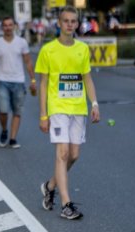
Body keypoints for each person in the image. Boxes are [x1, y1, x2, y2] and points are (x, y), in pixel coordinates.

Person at [36, 6, 100, 220]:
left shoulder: (82, 49)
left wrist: (95, 104)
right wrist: (43, 114)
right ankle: (66, 204)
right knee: (62, 153)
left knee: (73, 155)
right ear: (59, 23)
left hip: (78, 108)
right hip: (57, 108)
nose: (70, 24)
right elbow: (43, 84)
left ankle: (50, 185)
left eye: (73, 21)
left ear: (77, 24)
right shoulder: (48, 50)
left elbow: (87, 78)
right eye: (66, 21)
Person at [0, 17, 36, 149]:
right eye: (5, 25)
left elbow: (28, 62)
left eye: (10, 25)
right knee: (3, 111)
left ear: (14, 26)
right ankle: (4, 130)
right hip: (2, 81)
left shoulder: (22, 42)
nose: (8, 28)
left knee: (17, 112)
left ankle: (13, 138)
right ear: (2, 28)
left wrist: (32, 80)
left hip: (19, 81)